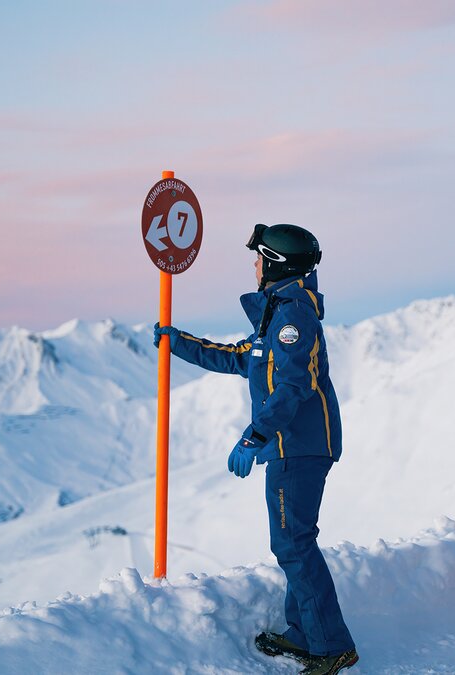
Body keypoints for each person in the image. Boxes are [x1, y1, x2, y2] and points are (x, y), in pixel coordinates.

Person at [153, 224, 358, 675]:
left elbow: (293, 385)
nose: (254, 265)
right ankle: (306, 634)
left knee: (294, 544)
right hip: (294, 445)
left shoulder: (292, 318)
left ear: (275, 262)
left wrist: (254, 436)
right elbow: (237, 357)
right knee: (295, 542)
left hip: (298, 446)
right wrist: (177, 342)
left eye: (259, 257)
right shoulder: (279, 314)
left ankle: (331, 646)